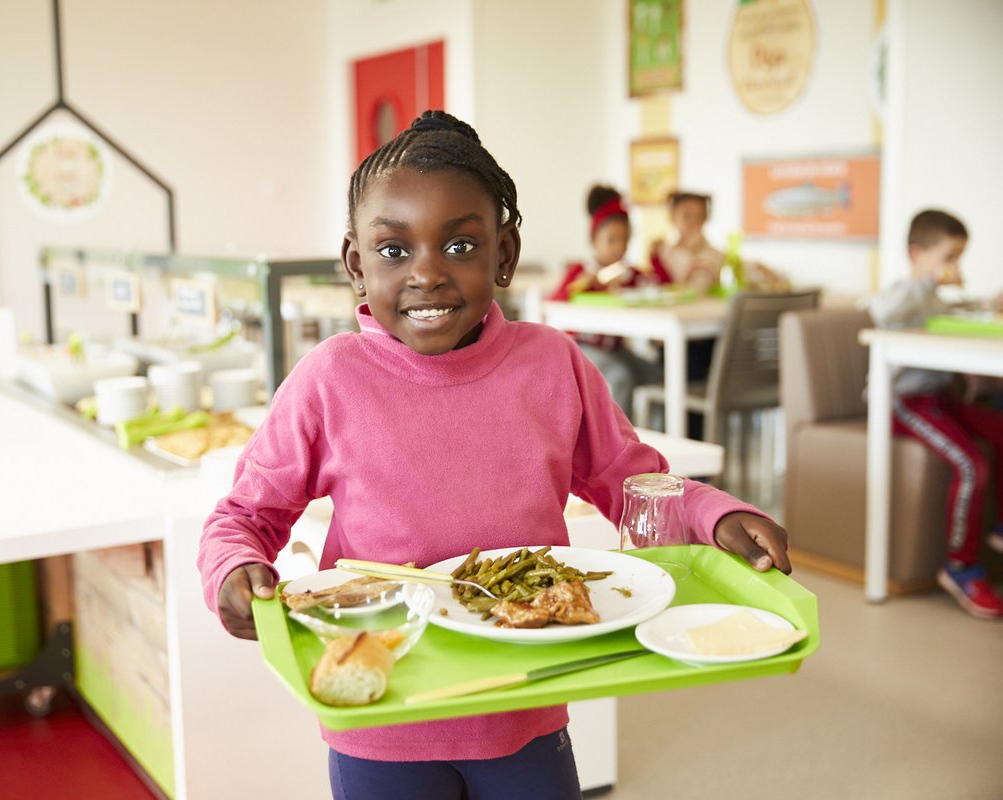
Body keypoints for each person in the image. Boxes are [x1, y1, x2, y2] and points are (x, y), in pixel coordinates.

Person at [197, 110, 793, 800]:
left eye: (459, 246)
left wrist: (717, 514)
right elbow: (244, 515)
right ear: (357, 265)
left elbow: (633, 483)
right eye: (394, 252)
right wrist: (234, 570)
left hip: (529, 700)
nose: (426, 275)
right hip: (384, 714)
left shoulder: (552, 363)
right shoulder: (330, 379)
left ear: (503, 255)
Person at [866, 208, 1003, 620]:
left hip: (941, 397)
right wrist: (928, 279)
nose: (955, 268)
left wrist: (985, 303)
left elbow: (945, 315)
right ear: (917, 253)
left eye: (959, 258)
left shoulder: (931, 297)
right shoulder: (905, 290)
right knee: (971, 462)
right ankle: (960, 567)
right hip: (905, 403)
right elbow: (883, 311)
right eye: (949, 258)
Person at [548, 185, 668, 417]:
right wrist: (581, 284)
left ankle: (656, 439)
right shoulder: (581, 271)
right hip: (582, 347)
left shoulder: (629, 274)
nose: (618, 247)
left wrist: (656, 259)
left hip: (616, 348)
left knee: (659, 377)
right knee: (621, 377)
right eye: (611, 240)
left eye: (623, 240)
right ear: (594, 240)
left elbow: (656, 290)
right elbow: (555, 303)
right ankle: (618, 445)